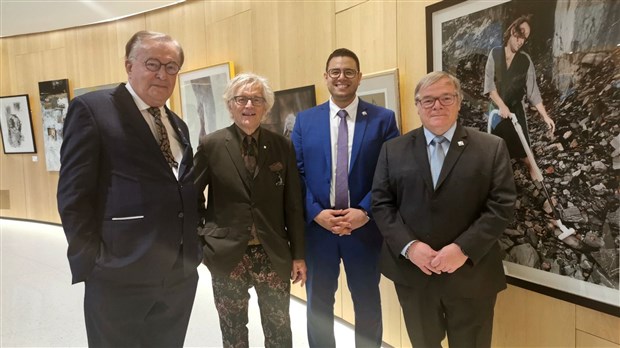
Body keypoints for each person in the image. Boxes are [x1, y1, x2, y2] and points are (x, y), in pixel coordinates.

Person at [57, 30, 201, 347]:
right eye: (153, 64)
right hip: (118, 274)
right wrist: (93, 264)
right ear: (129, 65)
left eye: (172, 67)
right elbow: (72, 196)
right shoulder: (93, 110)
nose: (163, 74)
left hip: (178, 276)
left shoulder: (178, 124)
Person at [371, 71, 517, 348]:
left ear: (459, 102)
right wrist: (410, 247)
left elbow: (501, 206)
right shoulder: (393, 150)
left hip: (471, 275)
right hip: (414, 274)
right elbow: (381, 204)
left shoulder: (491, 148)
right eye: (428, 100)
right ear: (417, 106)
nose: (436, 105)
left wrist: (463, 249)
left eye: (445, 98)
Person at [292, 48, 400, 347]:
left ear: (359, 77)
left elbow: (388, 173)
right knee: (318, 305)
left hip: (363, 229)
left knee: (367, 303)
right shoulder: (305, 121)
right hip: (318, 231)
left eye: (349, 72)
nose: (342, 77)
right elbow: (295, 175)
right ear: (326, 77)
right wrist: (316, 213)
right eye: (335, 72)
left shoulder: (383, 120)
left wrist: (364, 211)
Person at [193, 73, 306, 348]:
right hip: (227, 254)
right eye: (241, 99)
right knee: (233, 331)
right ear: (230, 105)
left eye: (256, 99)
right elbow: (192, 196)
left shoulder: (282, 146)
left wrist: (299, 255)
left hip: (272, 253)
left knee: (279, 329)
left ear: (265, 107)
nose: (248, 105)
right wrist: (202, 241)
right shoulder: (212, 145)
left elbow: (293, 204)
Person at [484, 15, 555, 180]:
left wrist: (545, 116)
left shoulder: (525, 60)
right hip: (496, 112)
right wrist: (501, 106)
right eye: (519, 35)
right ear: (511, 31)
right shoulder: (494, 54)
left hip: (516, 111)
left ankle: (537, 182)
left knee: (525, 152)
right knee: (496, 152)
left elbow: (533, 92)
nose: (521, 41)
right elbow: (489, 86)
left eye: (525, 38)